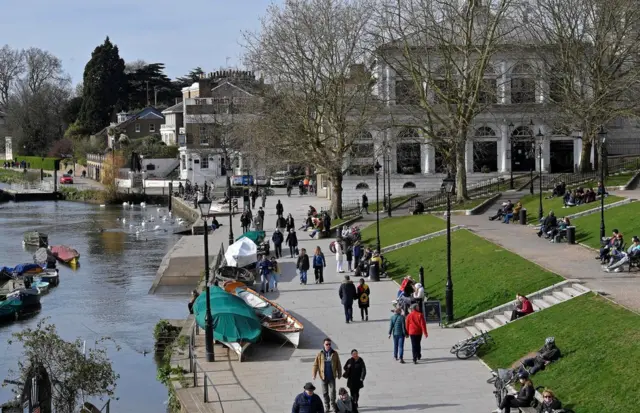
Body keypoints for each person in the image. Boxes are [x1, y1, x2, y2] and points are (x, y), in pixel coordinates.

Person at [312, 338, 342, 413]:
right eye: (326, 344)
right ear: (323, 344)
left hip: (332, 377)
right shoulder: (320, 354)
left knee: (332, 393)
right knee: (325, 393)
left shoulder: (335, 353)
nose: (328, 345)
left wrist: (339, 373)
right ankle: (327, 407)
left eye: (329, 344)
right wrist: (314, 374)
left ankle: (333, 406)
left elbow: (338, 364)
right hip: (323, 377)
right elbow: (315, 365)